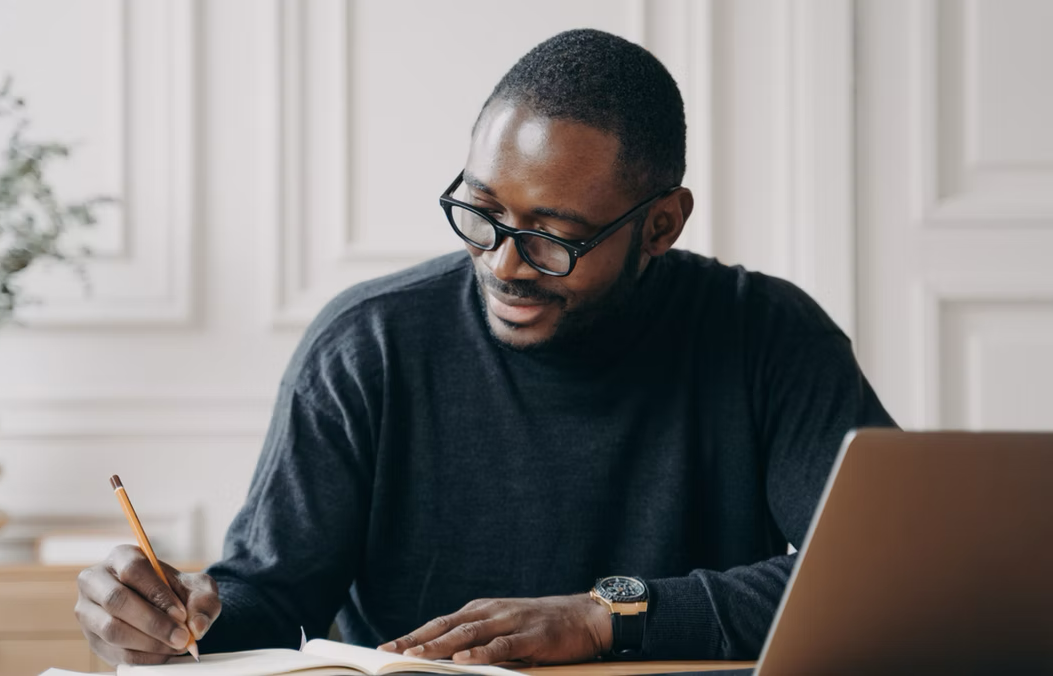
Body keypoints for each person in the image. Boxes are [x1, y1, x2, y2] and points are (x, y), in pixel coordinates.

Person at [74, 28, 894, 666]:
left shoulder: (768, 337)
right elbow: (269, 599)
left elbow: (880, 578)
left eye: (554, 237)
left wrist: (602, 618)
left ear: (660, 226)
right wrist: (172, 619)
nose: (503, 264)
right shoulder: (368, 347)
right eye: (481, 212)